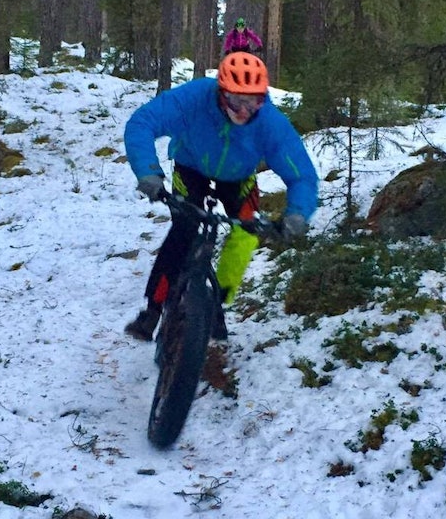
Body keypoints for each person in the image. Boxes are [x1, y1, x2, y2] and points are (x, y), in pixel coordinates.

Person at [122, 52, 318, 342]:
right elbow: (142, 123)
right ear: (221, 92)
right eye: (237, 100)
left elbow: (301, 174)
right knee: (184, 230)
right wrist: (148, 172)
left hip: (238, 177)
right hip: (191, 168)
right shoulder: (195, 97)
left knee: (246, 233)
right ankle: (153, 309)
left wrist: (298, 213)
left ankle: (216, 304)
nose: (244, 110)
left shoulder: (269, 122)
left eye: (252, 101)